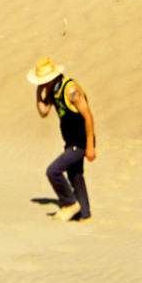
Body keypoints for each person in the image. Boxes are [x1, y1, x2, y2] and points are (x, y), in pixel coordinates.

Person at [27, 57, 95, 221]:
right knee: (75, 174)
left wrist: (90, 146)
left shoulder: (72, 91)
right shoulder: (52, 90)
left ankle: (70, 204)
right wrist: (39, 93)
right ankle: (84, 215)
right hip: (70, 141)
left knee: (53, 171)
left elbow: (88, 117)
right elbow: (43, 112)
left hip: (80, 142)